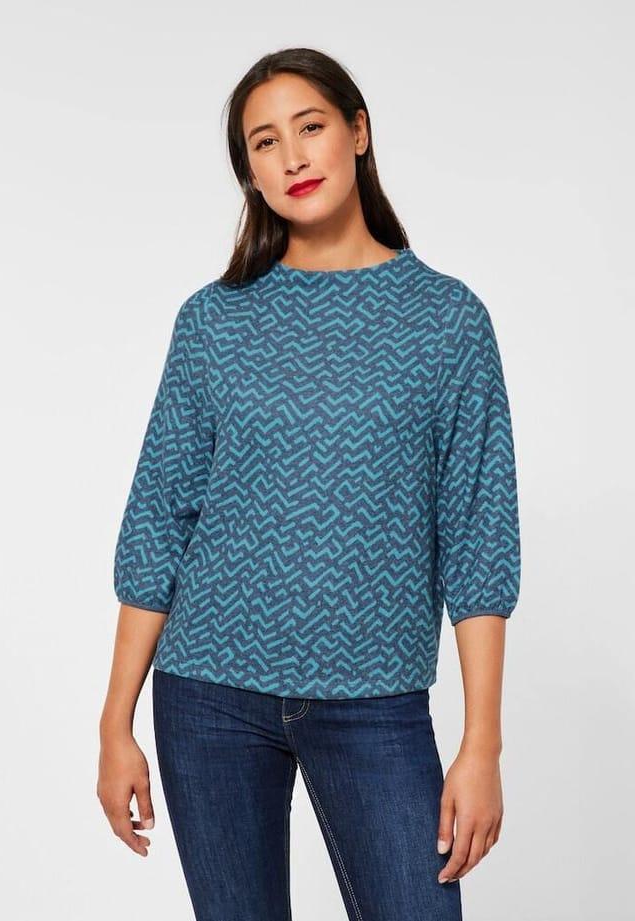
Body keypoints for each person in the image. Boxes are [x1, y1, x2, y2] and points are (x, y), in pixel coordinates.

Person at [97, 47, 521, 921]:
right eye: (264, 142)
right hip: (208, 694)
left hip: (375, 701)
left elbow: (479, 538)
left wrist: (482, 742)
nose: (292, 156)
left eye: (311, 126)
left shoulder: (447, 321)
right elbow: (159, 521)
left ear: (358, 132)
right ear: (249, 173)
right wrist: (115, 722)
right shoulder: (213, 321)